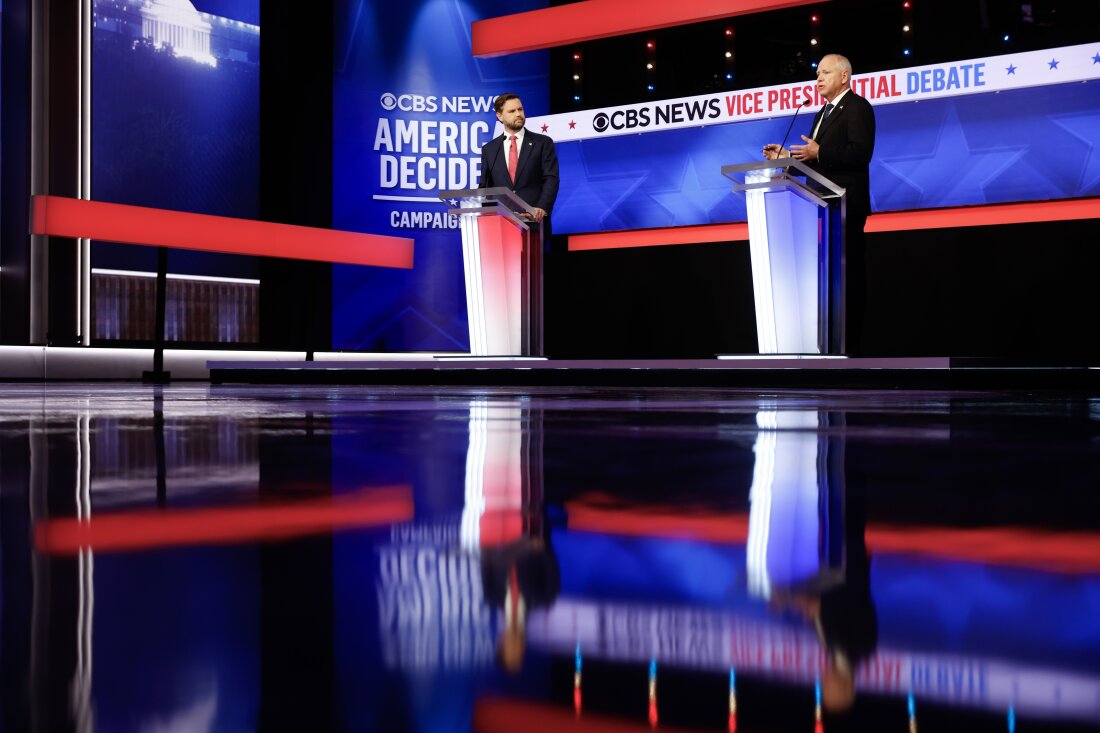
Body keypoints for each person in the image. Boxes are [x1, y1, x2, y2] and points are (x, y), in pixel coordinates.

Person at [763, 54, 876, 355]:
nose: (818, 78)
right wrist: (786, 158)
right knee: (826, 283)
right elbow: (815, 163)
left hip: (846, 207)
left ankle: (850, 349)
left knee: (847, 279)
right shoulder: (820, 115)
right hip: (821, 208)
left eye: (825, 72)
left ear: (844, 76)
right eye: (817, 74)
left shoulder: (858, 107)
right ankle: (827, 349)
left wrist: (820, 151)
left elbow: (860, 153)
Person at [479, 93, 560, 226]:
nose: (518, 114)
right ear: (499, 116)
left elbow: (551, 179)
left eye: (520, 109)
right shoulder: (490, 149)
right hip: (500, 224)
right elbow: (485, 187)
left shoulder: (542, 143)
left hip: (534, 222)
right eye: (512, 111)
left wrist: (541, 208)